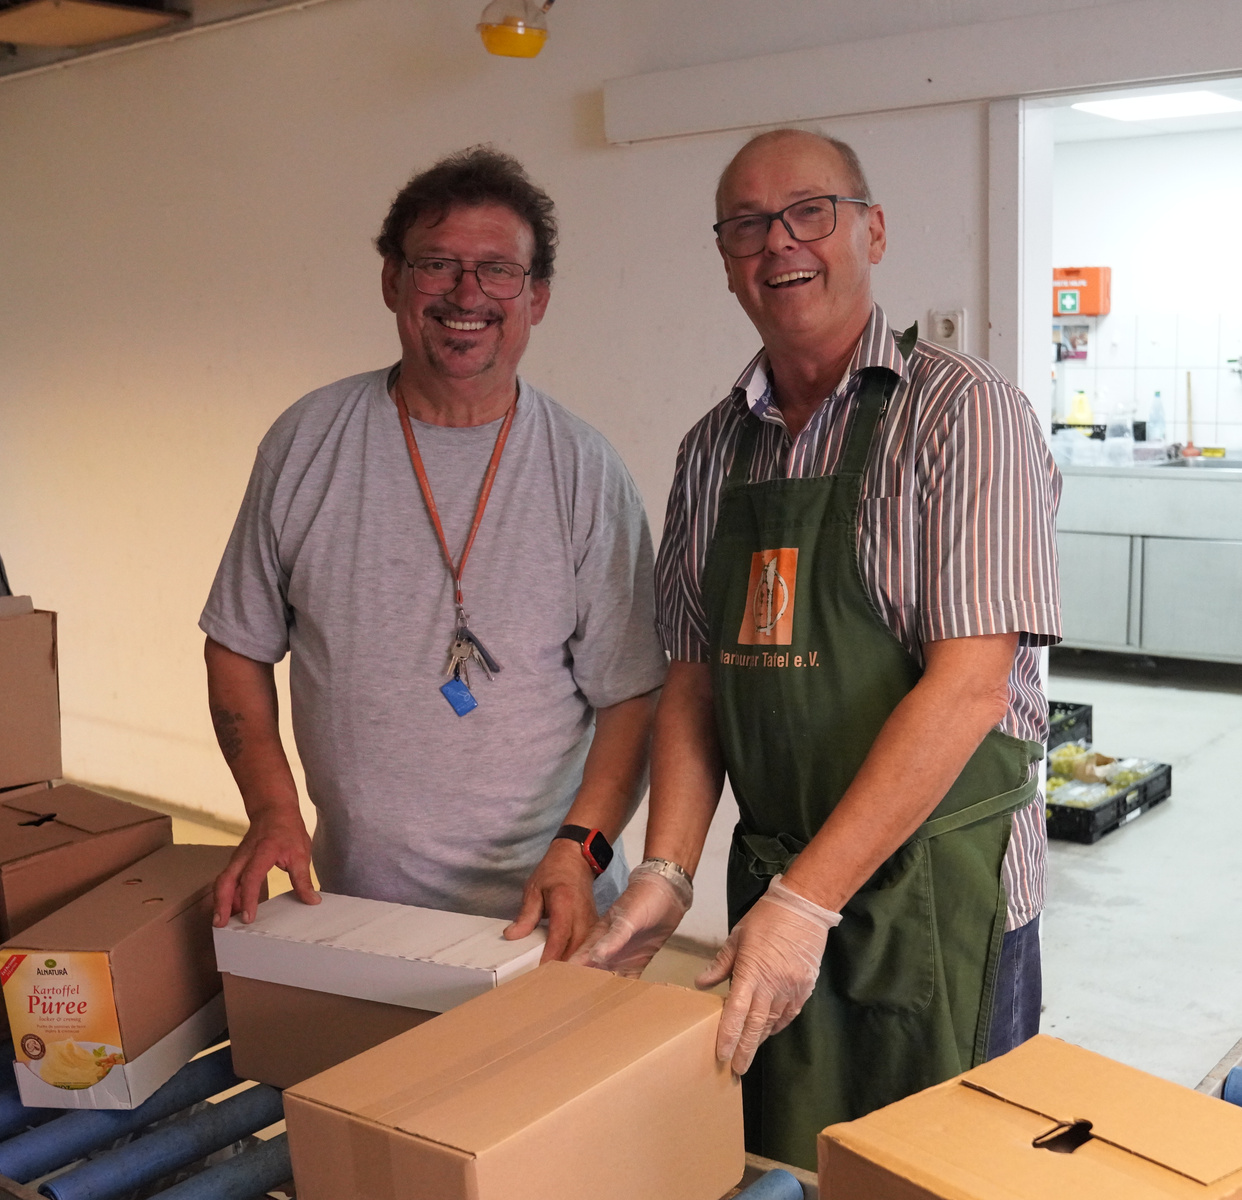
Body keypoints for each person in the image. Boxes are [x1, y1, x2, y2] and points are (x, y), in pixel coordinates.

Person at [573, 128, 1061, 1167]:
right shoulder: (713, 449)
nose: (780, 243)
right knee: (788, 1166)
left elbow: (970, 690)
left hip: (943, 898)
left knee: (940, 1172)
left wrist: (807, 901)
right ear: (725, 259)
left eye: (811, 212)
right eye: (747, 224)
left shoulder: (964, 415)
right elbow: (695, 683)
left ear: (872, 231)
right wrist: (667, 872)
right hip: (779, 888)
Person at [201, 146, 667, 961]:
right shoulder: (306, 441)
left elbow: (633, 698)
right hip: (354, 912)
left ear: (537, 297)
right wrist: (272, 809)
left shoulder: (585, 471)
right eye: (437, 264)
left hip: (551, 920)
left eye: (498, 271)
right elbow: (236, 646)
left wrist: (581, 850)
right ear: (392, 280)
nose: (466, 294)